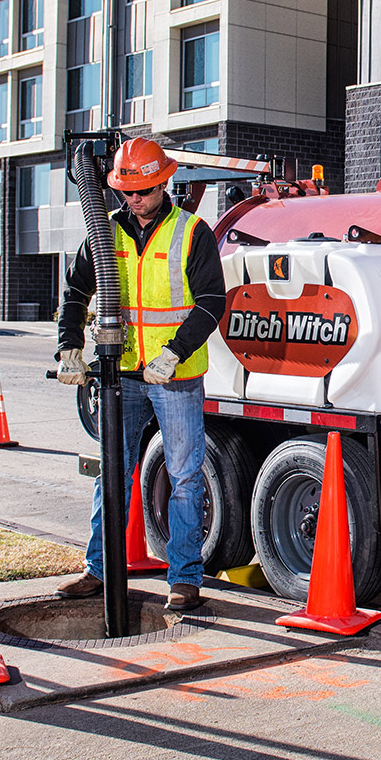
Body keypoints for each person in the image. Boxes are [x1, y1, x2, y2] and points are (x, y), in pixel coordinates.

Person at [53, 137, 226, 612]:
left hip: (176, 374)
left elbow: (213, 301)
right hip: (121, 371)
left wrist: (174, 351)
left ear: (163, 182)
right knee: (112, 471)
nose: (134, 200)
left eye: (144, 191)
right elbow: (75, 292)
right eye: (126, 192)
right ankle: (98, 569)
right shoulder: (102, 230)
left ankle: (185, 578)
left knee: (185, 476)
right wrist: (69, 346)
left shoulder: (192, 232)